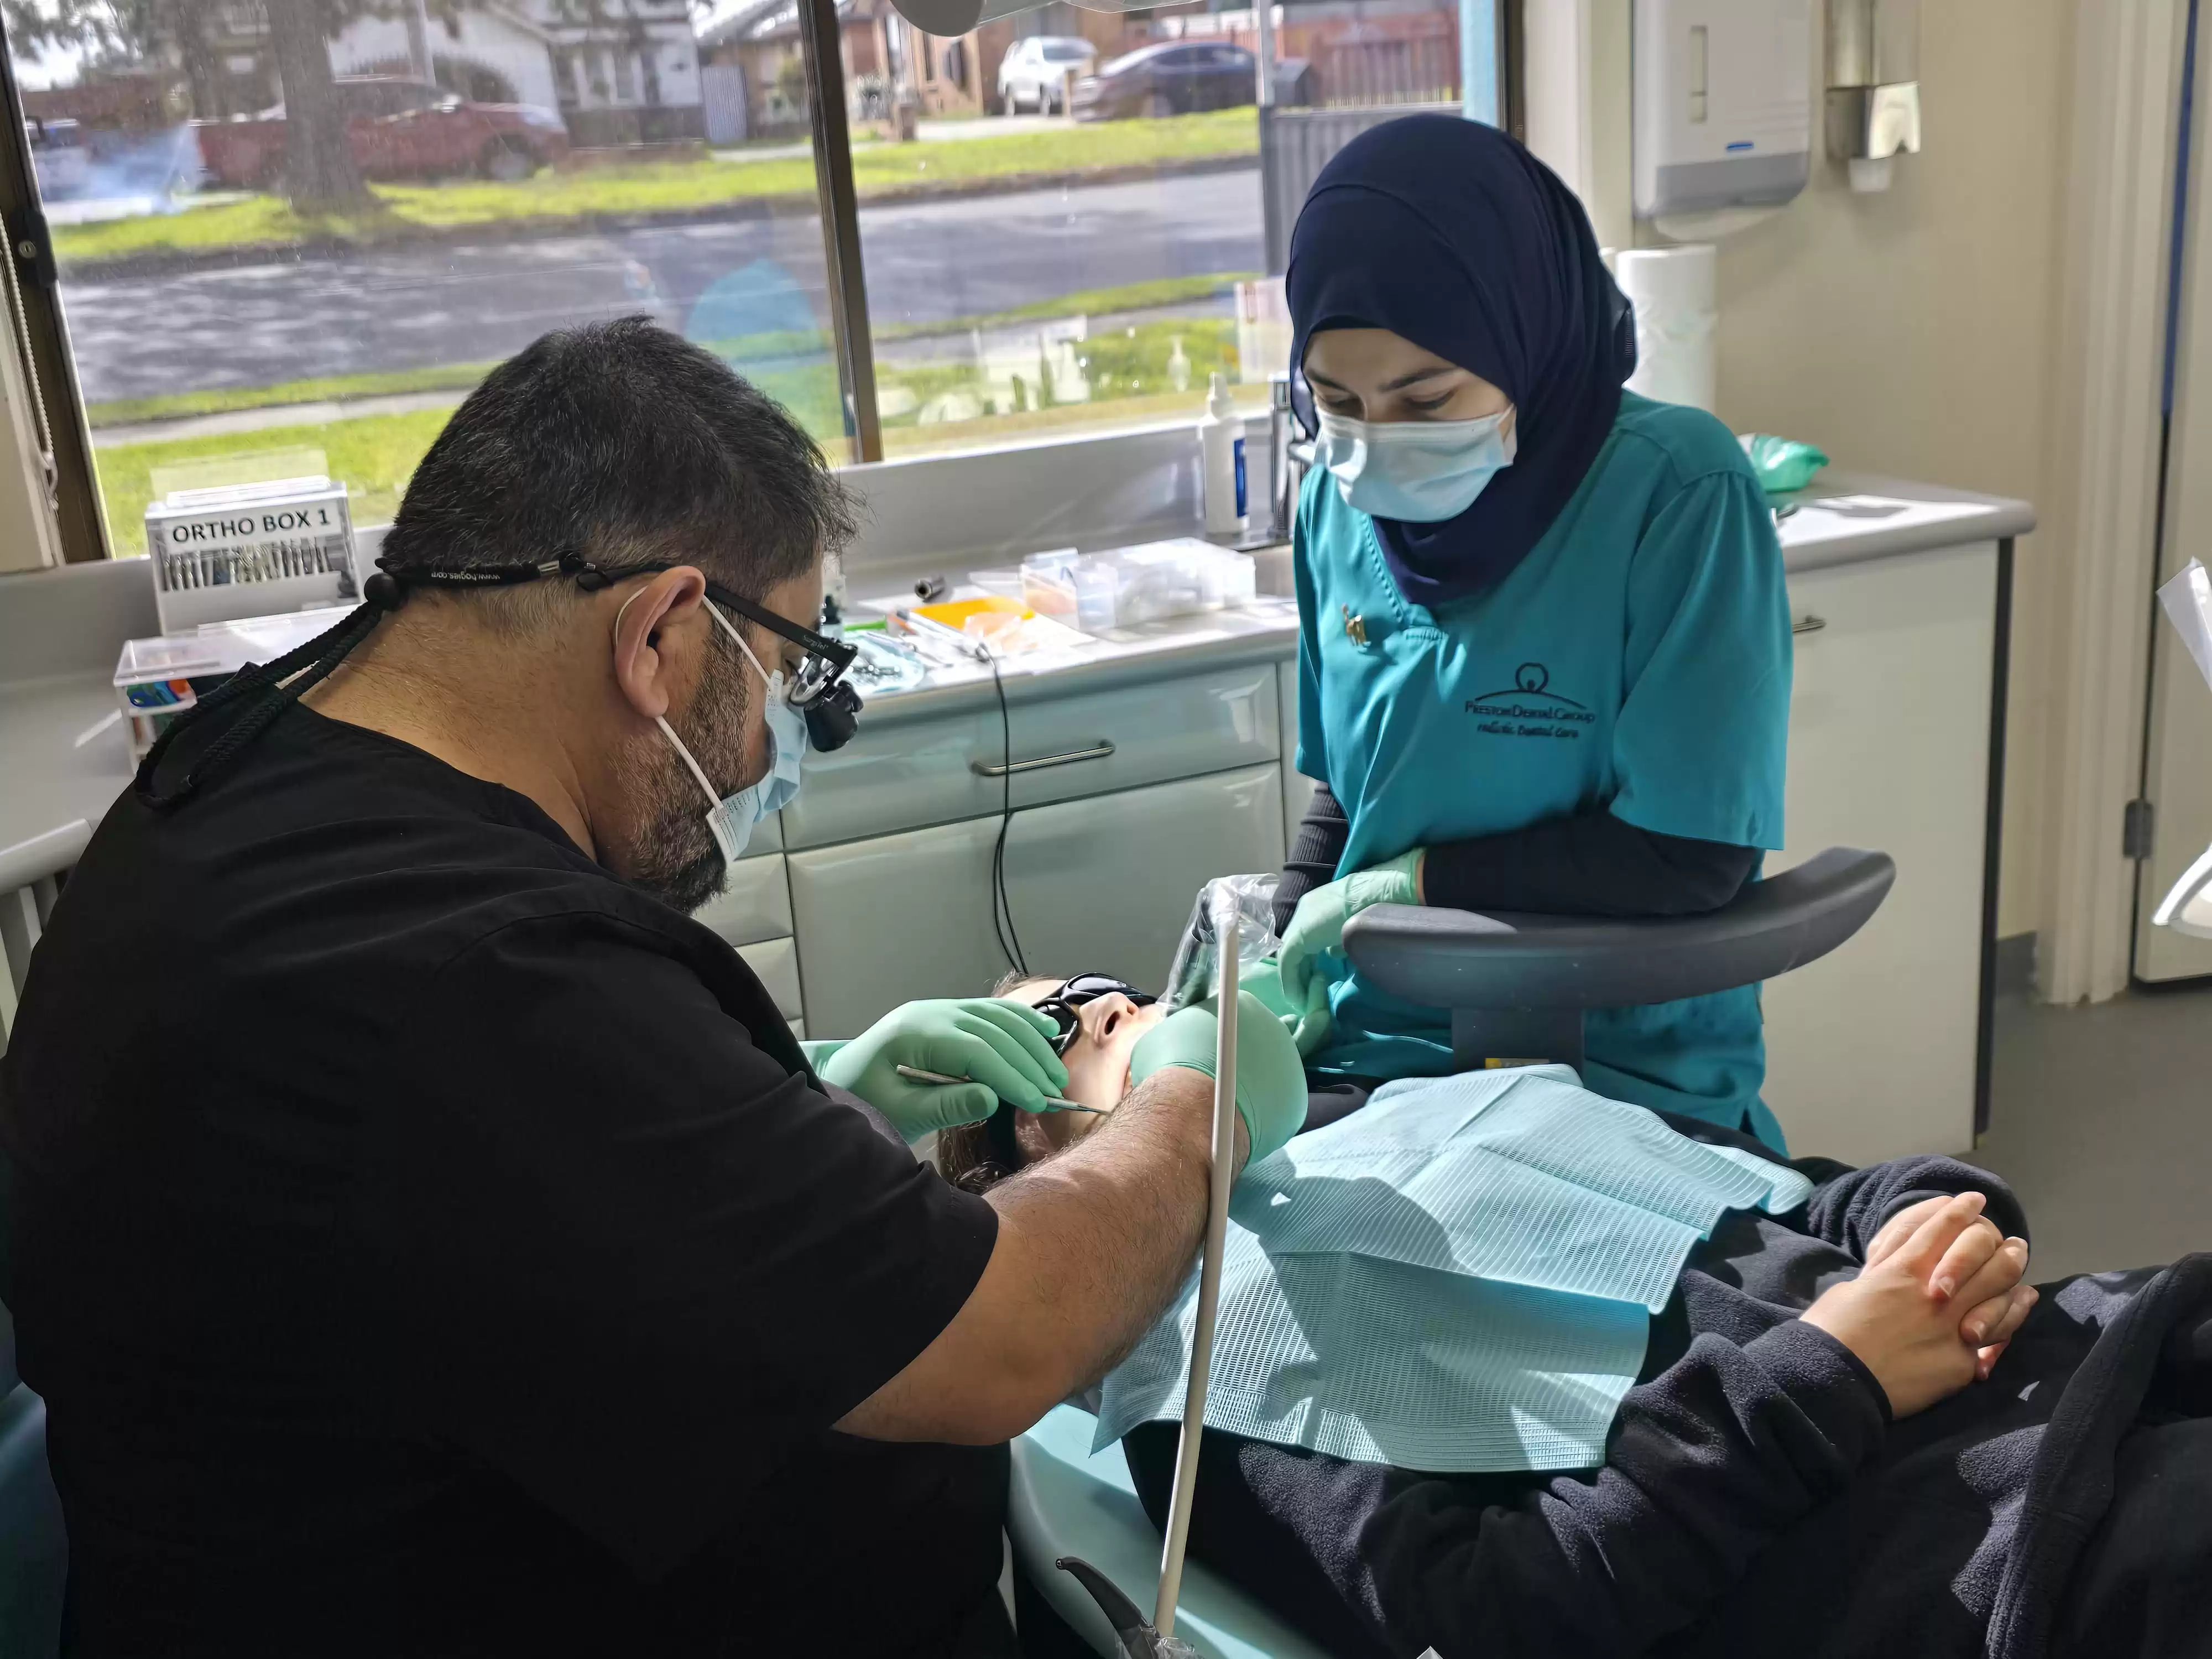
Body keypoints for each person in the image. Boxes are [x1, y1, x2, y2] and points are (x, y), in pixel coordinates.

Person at [0, 320, 1311, 1658]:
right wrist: (1192, 1105)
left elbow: (507, 1202)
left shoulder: (235, 780)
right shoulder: (483, 984)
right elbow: (1008, 1338)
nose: (769, 750)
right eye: (784, 682)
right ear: (661, 635)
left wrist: (807, 1098)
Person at [951, 972, 2212, 1659]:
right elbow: (1499, 1616)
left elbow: (1799, 1187)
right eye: (1050, 1033)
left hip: (2095, 1347)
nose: (1107, 1009)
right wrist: (1827, 1374)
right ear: (1038, 1180)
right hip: (1986, 1542)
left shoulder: (1432, 1100)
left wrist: (1931, 1219)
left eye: (1109, 985)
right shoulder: (1199, 1374)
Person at [1272, 114, 1796, 1147]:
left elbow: (1691, 858)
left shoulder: (1677, 494)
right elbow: (1349, 788)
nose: (1376, 444)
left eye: (1426, 398)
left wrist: (1412, 886)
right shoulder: (1333, 504)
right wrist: (1281, 921)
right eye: (1336, 401)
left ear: (1527, 334)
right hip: (1377, 1056)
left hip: (1622, 1072)